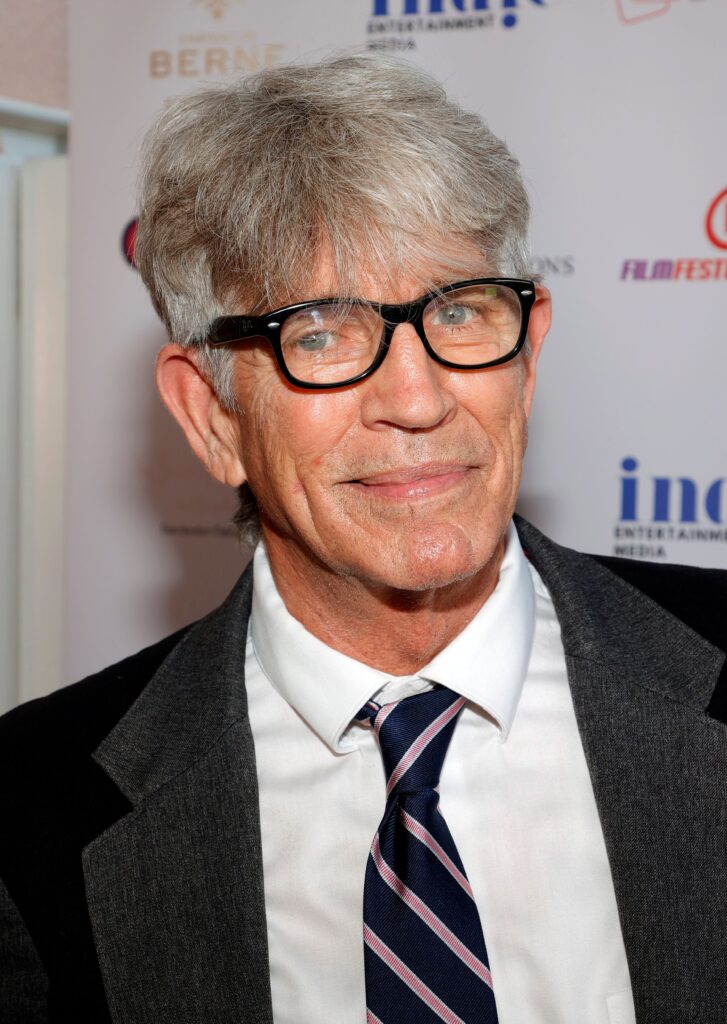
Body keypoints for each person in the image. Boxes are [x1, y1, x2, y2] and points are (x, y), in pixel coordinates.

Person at [1, 53, 725, 1024]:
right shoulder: (31, 810)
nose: (418, 400)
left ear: (529, 348)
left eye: (459, 310)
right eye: (321, 334)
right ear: (211, 415)